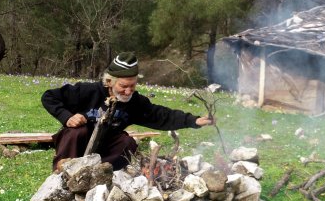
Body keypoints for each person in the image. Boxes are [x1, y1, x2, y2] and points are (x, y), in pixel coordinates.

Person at [41, 52, 213, 171]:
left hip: (104, 148)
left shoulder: (135, 102)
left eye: (132, 86)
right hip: (78, 144)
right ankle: (63, 169)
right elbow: (49, 96)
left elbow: (161, 115)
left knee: (128, 142)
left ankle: (99, 171)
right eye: (123, 86)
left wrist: (194, 121)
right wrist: (67, 117)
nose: (128, 91)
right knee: (77, 131)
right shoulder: (87, 91)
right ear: (109, 81)